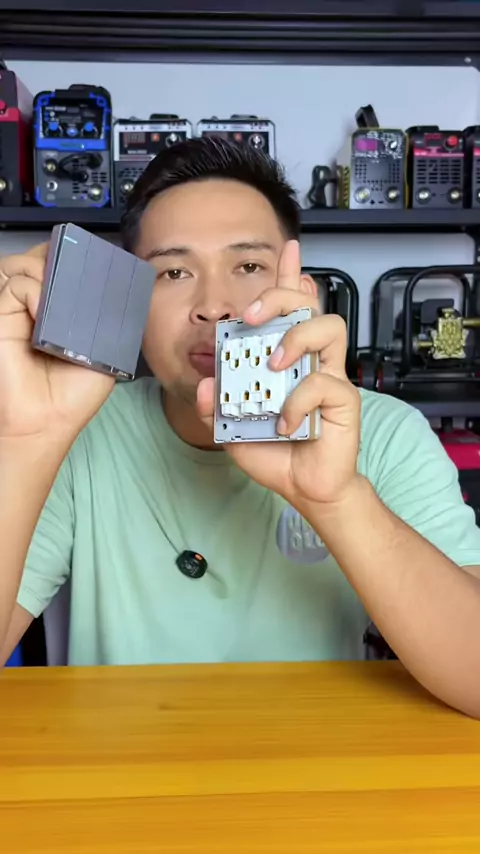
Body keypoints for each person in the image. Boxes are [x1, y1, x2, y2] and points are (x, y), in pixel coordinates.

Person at [1, 137, 480, 717]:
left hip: (323, 763)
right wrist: (25, 442)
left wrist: (336, 500)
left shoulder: (384, 432)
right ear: (131, 305)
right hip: (121, 761)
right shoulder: (77, 430)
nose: (214, 305)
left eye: (248, 266)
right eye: (174, 271)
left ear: (302, 296)